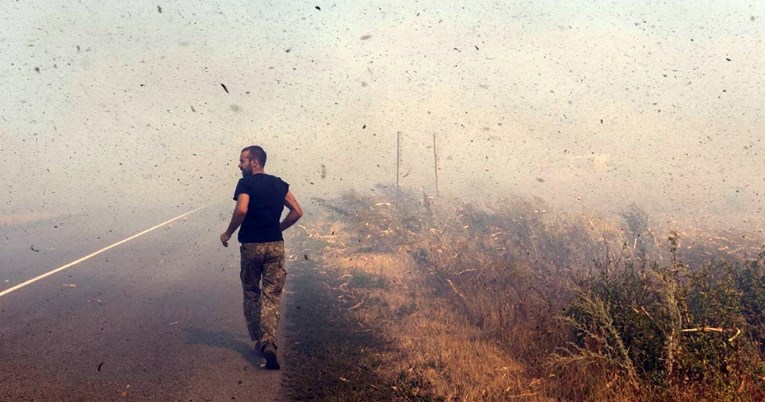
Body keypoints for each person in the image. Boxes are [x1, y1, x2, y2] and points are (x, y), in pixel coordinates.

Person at [220, 145, 302, 370]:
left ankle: (259, 339)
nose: (239, 165)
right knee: (271, 295)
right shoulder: (279, 184)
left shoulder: (245, 183)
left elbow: (242, 210)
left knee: (251, 291)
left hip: (251, 246)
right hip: (275, 245)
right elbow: (297, 211)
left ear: (254, 162)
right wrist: (278, 227)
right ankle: (269, 342)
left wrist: (228, 233)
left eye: (242, 160)